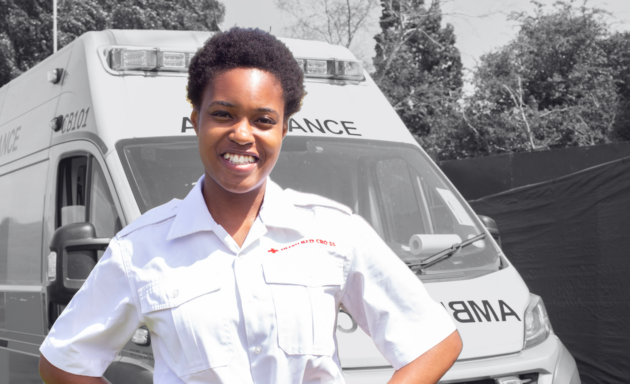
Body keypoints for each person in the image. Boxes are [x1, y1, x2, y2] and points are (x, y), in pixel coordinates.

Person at [39, 27, 462, 384]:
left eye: (263, 120)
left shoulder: (334, 232)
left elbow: (435, 341)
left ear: (283, 129)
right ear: (196, 120)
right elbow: (62, 362)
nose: (243, 135)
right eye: (223, 114)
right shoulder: (140, 249)